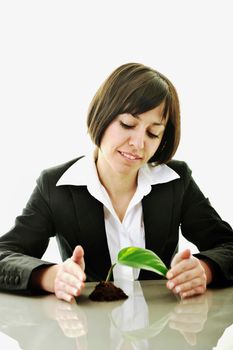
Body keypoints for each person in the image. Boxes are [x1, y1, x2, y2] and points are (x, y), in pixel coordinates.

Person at [0, 63, 233, 303]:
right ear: (103, 115)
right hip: (88, 332)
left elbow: (228, 246)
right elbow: (3, 256)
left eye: (153, 133)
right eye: (127, 124)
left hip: (162, 332)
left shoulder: (176, 181)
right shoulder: (55, 186)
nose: (139, 144)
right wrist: (51, 277)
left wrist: (204, 270)